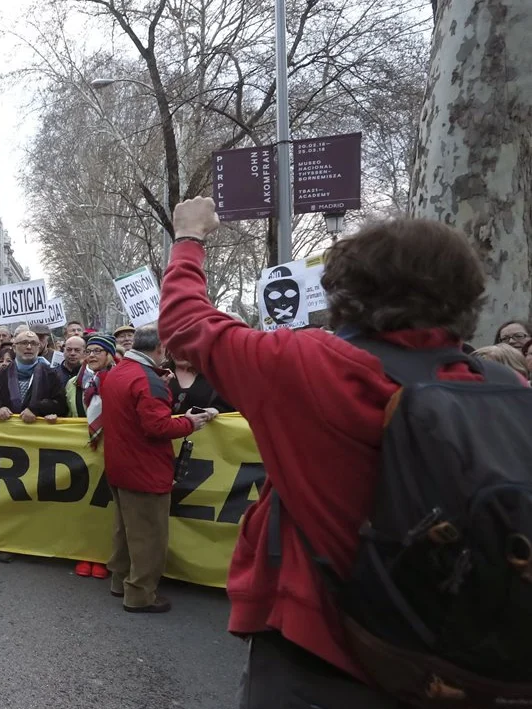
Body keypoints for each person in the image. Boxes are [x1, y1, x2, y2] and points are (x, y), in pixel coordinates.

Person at [157, 196, 504, 705]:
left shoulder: (311, 367)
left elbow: (187, 325)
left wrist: (189, 238)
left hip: (323, 648)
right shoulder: (500, 385)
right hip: (469, 654)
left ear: (345, 290)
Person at [100, 326, 212, 613]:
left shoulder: (119, 372)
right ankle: (140, 594)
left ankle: (119, 580)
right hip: (145, 469)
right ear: (160, 349)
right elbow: (158, 426)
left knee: (125, 531)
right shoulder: (148, 380)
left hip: (120, 465)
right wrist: (191, 423)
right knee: (149, 537)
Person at [0, 330, 67, 422]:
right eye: (24, 343)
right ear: (14, 347)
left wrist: (37, 409)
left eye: (33, 344)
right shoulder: (1, 374)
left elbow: (61, 406)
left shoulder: (50, 374)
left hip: (36, 433)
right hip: (8, 432)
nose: (29, 347)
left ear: (38, 348)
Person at [168, 357, 235, 414]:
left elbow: (231, 407)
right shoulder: (160, 373)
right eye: (173, 346)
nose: (178, 352)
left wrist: (216, 410)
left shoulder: (219, 374)